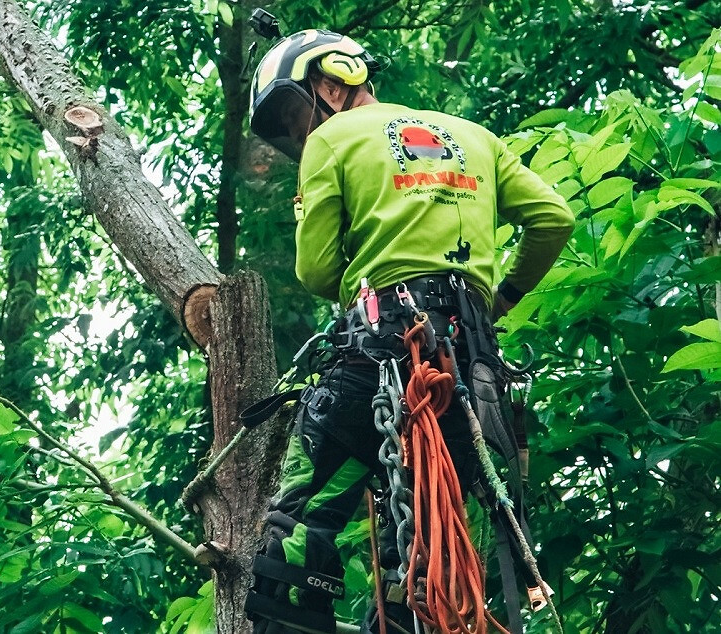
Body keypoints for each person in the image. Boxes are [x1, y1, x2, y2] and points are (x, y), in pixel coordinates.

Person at [244, 26, 575, 634]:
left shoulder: (333, 142)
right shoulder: (476, 138)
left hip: (375, 356)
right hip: (468, 375)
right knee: (427, 542)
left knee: (296, 522)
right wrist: (502, 295)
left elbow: (316, 270)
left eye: (297, 116)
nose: (301, 134)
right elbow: (554, 218)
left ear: (334, 79)